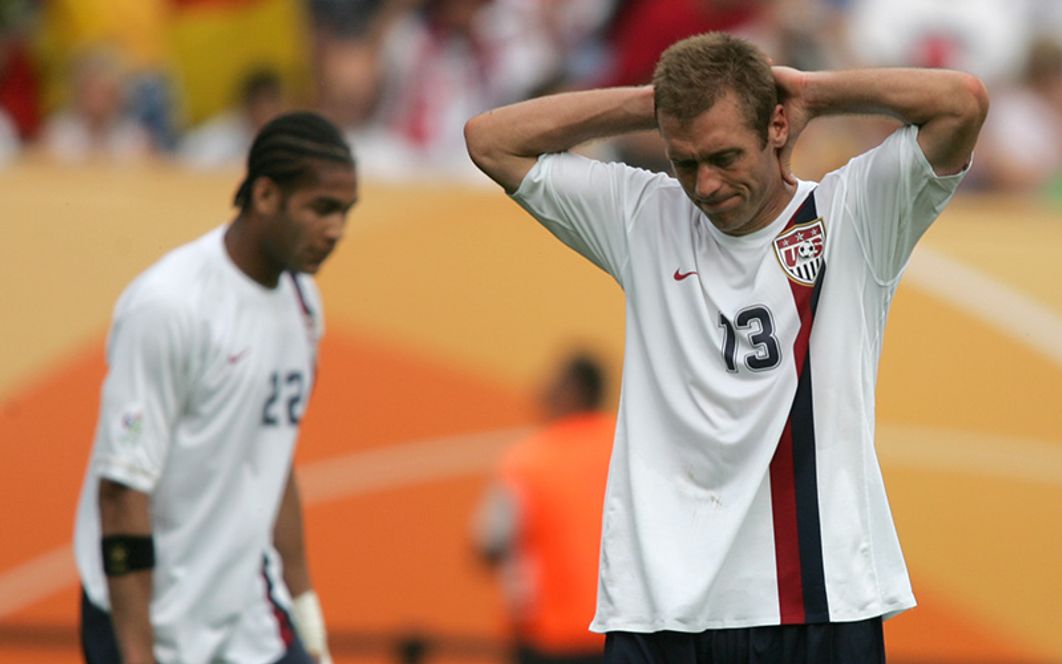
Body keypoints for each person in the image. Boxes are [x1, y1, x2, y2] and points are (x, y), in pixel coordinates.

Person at [465, 31, 987, 663]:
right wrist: (652, 104)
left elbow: (961, 101)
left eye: (724, 156)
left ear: (775, 125)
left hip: (818, 600)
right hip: (662, 611)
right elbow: (489, 140)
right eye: (684, 162)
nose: (705, 185)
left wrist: (812, 92)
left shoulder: (854, 213)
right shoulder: (642, 216)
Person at [73, 111, 359, 664]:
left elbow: (272, 459)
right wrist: (138, 654)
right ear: (266, 195)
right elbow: (122, 491)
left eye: (346, 212)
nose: (336, 230)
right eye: (322, 208)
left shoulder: (303, 303)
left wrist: (308, 617)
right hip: (146, 617)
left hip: (248, 614)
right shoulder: (170, 305)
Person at [474, 353, 614, 664]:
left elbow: (486, 541)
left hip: (547, 637)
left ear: (573, 392)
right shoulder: (624, 447)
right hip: (619, 630)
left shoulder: (527, 460)